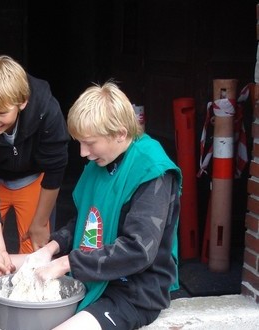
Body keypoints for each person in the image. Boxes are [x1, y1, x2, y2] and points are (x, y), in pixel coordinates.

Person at [11, 81, 182, 330]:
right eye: (79, 142)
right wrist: (50, 249)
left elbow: (138, 250)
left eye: (90, 143)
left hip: (133, 291)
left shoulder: (152, 171)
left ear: (120, 133)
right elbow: (86, 222)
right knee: (10, 280)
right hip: (91, 277)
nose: (82, 152)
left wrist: (64, 263)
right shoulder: (100, 163)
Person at [0, 55, 70, 306]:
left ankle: (29, 313)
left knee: (35, 251)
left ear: (22, 103)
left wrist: (40, 223)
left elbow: (55, 168)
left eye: (1, 113)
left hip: (34, 180)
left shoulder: (46, 110)